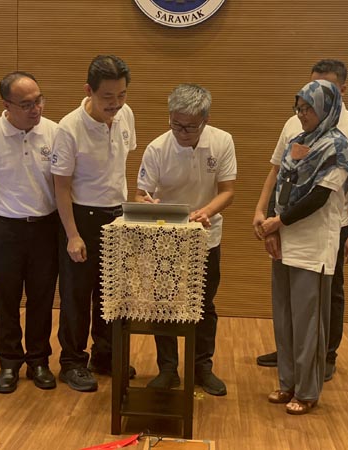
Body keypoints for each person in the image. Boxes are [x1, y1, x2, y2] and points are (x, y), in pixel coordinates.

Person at [254, 59, 348, 381]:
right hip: (286, 224)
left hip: (329, 223)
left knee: (324, 296)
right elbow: (278, 172)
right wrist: (264, 213)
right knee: (289, 298)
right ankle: (291, 356)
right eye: (304, 99)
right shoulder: (295, 125)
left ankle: (324, 355)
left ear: (340, 91)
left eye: (322, 91)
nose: (304, 109)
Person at [135, 84, 237, 396]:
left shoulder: (222, 141)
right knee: (163, 305)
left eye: (190, 127)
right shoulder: (157, 148)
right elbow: (140, 194)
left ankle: (201, 367)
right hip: (165, 239)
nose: (181, 132)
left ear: (205, 120)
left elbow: (228, 191)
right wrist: (148, 203)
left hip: (206, 236)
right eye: (176, 124)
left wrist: (205, 212)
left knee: (204, 305)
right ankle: (168, 369)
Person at [259, 79, 348, 414]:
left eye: (309, 108)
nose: (302, 114)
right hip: (285, 240)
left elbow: (319, 197)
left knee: (308, 321)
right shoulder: (295, 142)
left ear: (327, 109)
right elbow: (280, 184)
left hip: (314, 244)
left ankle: (308, 391)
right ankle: (287, 383)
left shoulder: (336, 146)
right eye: (299, 108)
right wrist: (272, 228)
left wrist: (278, 222)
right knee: (284, 317)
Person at [0, 72, 60, 393]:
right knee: (5, 301)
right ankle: (8, 362)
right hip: (5, 229)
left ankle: (38, 361)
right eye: (26, 104)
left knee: (42, 300)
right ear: (6, 105)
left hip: (45, 228)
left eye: (38, 100)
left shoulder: (54, 132)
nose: (36, 109)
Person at [51, 55, 137, 392]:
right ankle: (72, 362)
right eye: (107, 97)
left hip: (117, 216)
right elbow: (60, 186)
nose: (115, 104)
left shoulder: (126, 114)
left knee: (111, 293)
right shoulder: (69, 128)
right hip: (81, 217)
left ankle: (105, 355)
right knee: (76, 294)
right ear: (89, 90)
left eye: (122, 95)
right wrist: (72, 235)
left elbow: (120, 166)